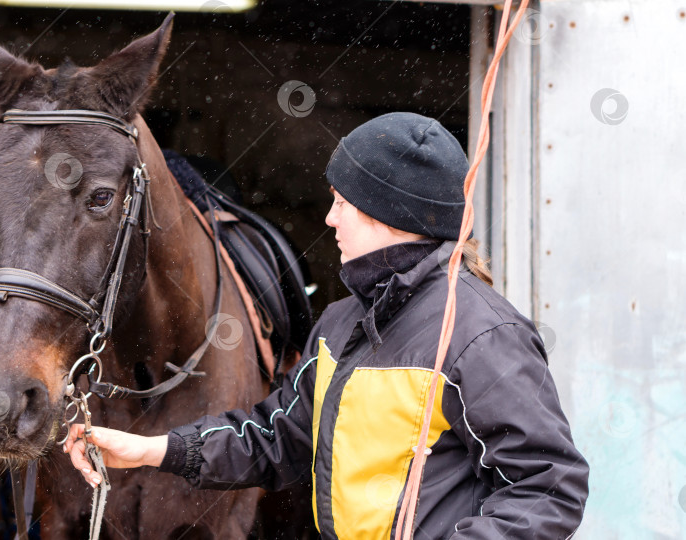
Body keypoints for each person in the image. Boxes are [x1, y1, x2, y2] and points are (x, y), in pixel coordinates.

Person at [65, 113, 589, 538]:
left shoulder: (482, 334)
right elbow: (276, 437)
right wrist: (152, 450)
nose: (329, 219)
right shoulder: (342, 323)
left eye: (343, 203)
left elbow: (547, 487)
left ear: (391, 215)